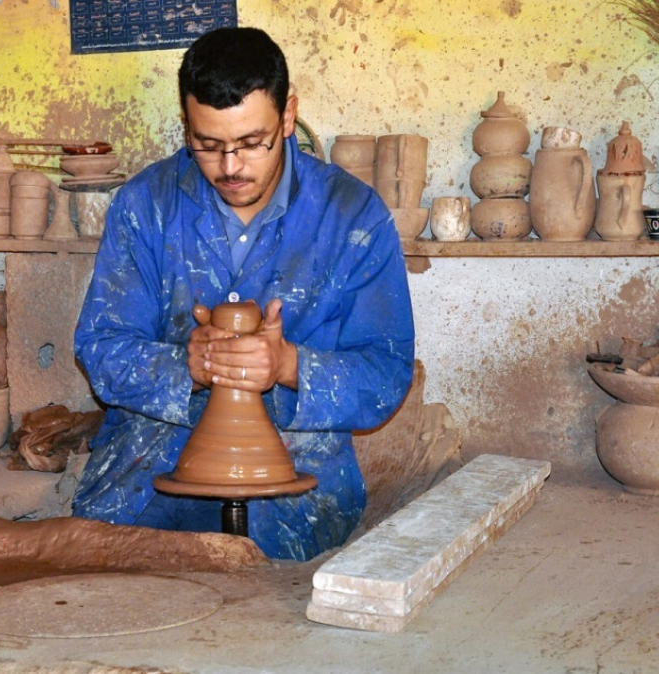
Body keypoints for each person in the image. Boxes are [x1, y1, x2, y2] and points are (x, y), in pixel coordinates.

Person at [72, 26, 415, 561]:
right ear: (186, 125)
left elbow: (386, 374)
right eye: (208, 145)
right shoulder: (145, 205)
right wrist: (186, 365)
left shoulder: (353, 215)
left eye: (252, 143)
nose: (230, 167)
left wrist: (288, 366)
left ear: (287, 116)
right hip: (146, 462)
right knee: (114, 582)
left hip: (299, 473)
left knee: (259, 602)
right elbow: (99, 347)